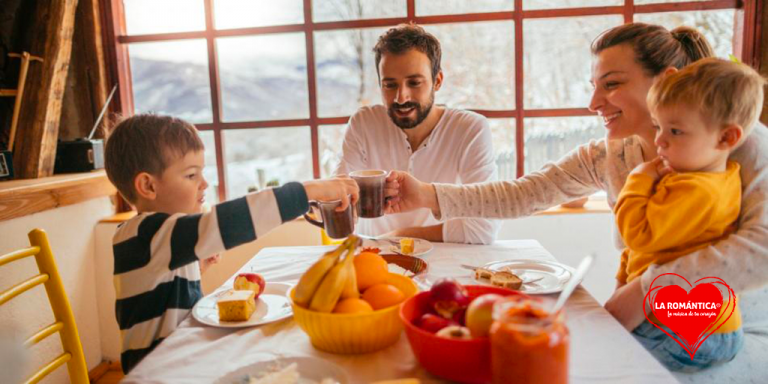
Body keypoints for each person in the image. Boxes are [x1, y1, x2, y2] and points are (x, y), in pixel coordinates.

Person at [385, 23, 768, 382]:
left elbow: (762, 248)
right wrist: (427, 194)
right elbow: (524, 193)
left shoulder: (739, 141)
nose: (592, 102)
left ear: (665, 80)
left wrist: (648, 289)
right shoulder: (612, 153)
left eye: (612, 84)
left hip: (724, 330)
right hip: (654, 320)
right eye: (593, 85)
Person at [104, 114, 358, 373]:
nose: (204, 183)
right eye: (191, 175)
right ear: (148, 185)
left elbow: (160, 296)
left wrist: (196, 269)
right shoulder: (147, 233)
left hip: (183, 360)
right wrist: (308, 191)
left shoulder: (160, 236)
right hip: (158, 373)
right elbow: (229, 222)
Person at [614, 58, 764, 371]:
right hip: (700, 323)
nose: (659, 140)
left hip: (695, 329)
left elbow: (638, 234)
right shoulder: (691, 178)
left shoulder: (699, 191)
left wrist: (639, 177)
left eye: (676, 131)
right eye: (658, 126)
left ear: (726, 139)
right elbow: (643, 251)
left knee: (603, 355)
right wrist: (621, 284)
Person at [334, 23, 500, 245]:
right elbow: (338, 204)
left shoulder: (471, 129)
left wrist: (398, 236)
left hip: (448, 261)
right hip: (374, 260)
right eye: (389, 85)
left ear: (437, 81)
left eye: (414, 83)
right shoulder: (364, 123)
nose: (401, 97)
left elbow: (483, 230)